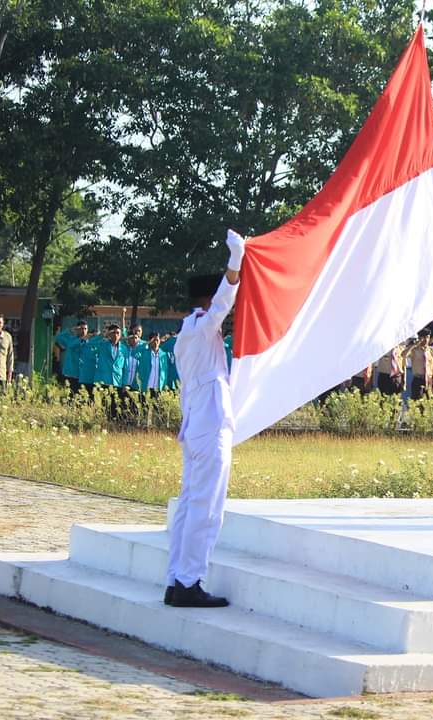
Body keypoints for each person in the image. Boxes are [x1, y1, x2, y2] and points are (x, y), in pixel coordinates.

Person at [165, 228, 245, 609]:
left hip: (196, 425)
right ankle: (189, 581)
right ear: (206, 298)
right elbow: (223, 305)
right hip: (209, 427)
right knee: (207, 506)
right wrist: (236, 261)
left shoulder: (189, 331)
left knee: (188, 503)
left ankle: (175, 578)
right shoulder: (200, 326)